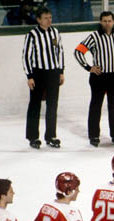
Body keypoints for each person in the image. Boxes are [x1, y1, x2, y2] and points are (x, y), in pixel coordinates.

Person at [74, 11, 114, 147]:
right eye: (105, 21)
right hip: (99, 76)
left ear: (113, 21)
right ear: (100, 22)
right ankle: (94, 135)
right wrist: (88, 67)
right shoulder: (94, 37)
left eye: (110, 21)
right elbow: (78, 51)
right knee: (96, 106)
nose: (107, 23)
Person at [22, 6, 64, 149]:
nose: (49, 20)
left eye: (50, 17)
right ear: (38, 19)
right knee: (35, 105)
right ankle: (33, 136)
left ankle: (51, 135)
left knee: (52, 105)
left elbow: (60, 53)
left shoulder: (55, 32)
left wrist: (61, 71)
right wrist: (30, 76)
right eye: (45, 18)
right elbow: (26, 56)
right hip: (38, 73)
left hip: (53, 73)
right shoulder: (32, 34)